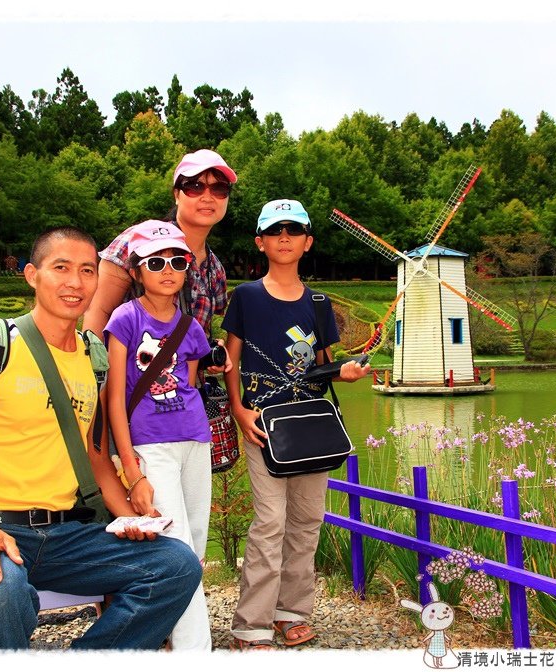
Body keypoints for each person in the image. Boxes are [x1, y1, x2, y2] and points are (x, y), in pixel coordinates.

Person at [0, 226, 202, 650]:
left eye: (87, 270)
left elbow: (93, 456)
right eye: (61, 268)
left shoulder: (93, 356)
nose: (75, 282)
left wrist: (131, 519)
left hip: (65, 536)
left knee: (176, 565)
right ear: (33, 275)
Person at [221, 199, 370, 650]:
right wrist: (237, 410)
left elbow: (325, 364)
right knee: (269, 522)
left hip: (311, 425)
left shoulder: (319, 303)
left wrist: (346, 370)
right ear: (260, 242)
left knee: (307, 521)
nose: (284, 237)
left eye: (294, 229)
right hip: (264, 424)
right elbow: (229, 359)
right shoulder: (245, 297)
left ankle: (292, 612)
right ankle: (252, 624)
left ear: (307, 242)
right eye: (275, 230)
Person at [104, 220, 214, 651]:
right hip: (150, 444)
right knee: (177, 551)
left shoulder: (192, 327)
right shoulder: (124, 318)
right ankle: (195, 652)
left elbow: (190, 386)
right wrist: (132, 471)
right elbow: (116, 400)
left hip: (194, 438)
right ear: (136, 271)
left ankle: (175, 639)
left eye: (177, 260)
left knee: (197, 546)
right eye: (156, 261)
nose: (167, 269)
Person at [83, 148, 236, 346]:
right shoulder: (138, 240)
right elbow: (98, 309)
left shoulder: (215, 269)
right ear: (176, 195)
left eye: (219, 188)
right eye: (195, 187)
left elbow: (197, 334)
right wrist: (97, 369)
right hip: (128, 374)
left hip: (185, 377)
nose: (207, 196)